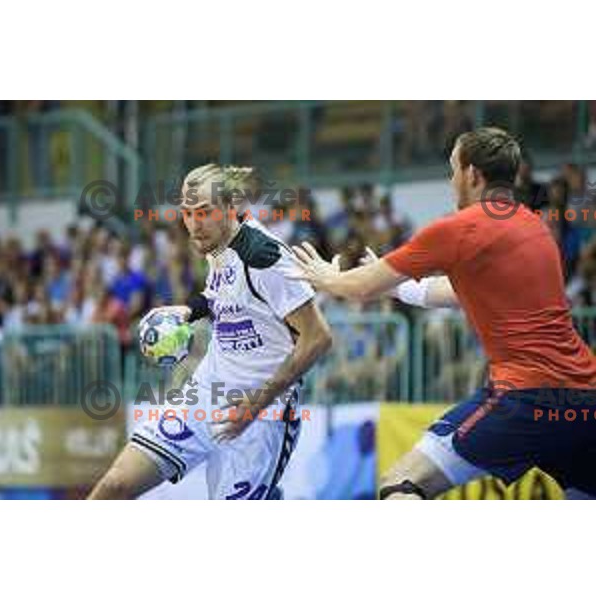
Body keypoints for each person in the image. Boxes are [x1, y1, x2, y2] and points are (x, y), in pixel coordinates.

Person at [291, 127, 596, 500]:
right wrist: (394, 284)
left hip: (524, 398)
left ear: (471, 175)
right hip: (585, 400)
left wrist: (326, 275)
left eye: (452, 170)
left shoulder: (459, 228)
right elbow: (455, 292)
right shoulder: (535, 228)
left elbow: (358, 287)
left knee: (400, 482)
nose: (450, 181)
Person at [88, 164, 332, 500]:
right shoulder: (217, 243)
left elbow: (318, 338)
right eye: (187, 213)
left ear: (231, 209)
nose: (193, 224)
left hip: (261, 415)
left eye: (204, 212)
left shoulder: (264, 257)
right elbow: (224, 294)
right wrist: (189, 310)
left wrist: (255, 405)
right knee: (115, 484)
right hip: (206, 391)